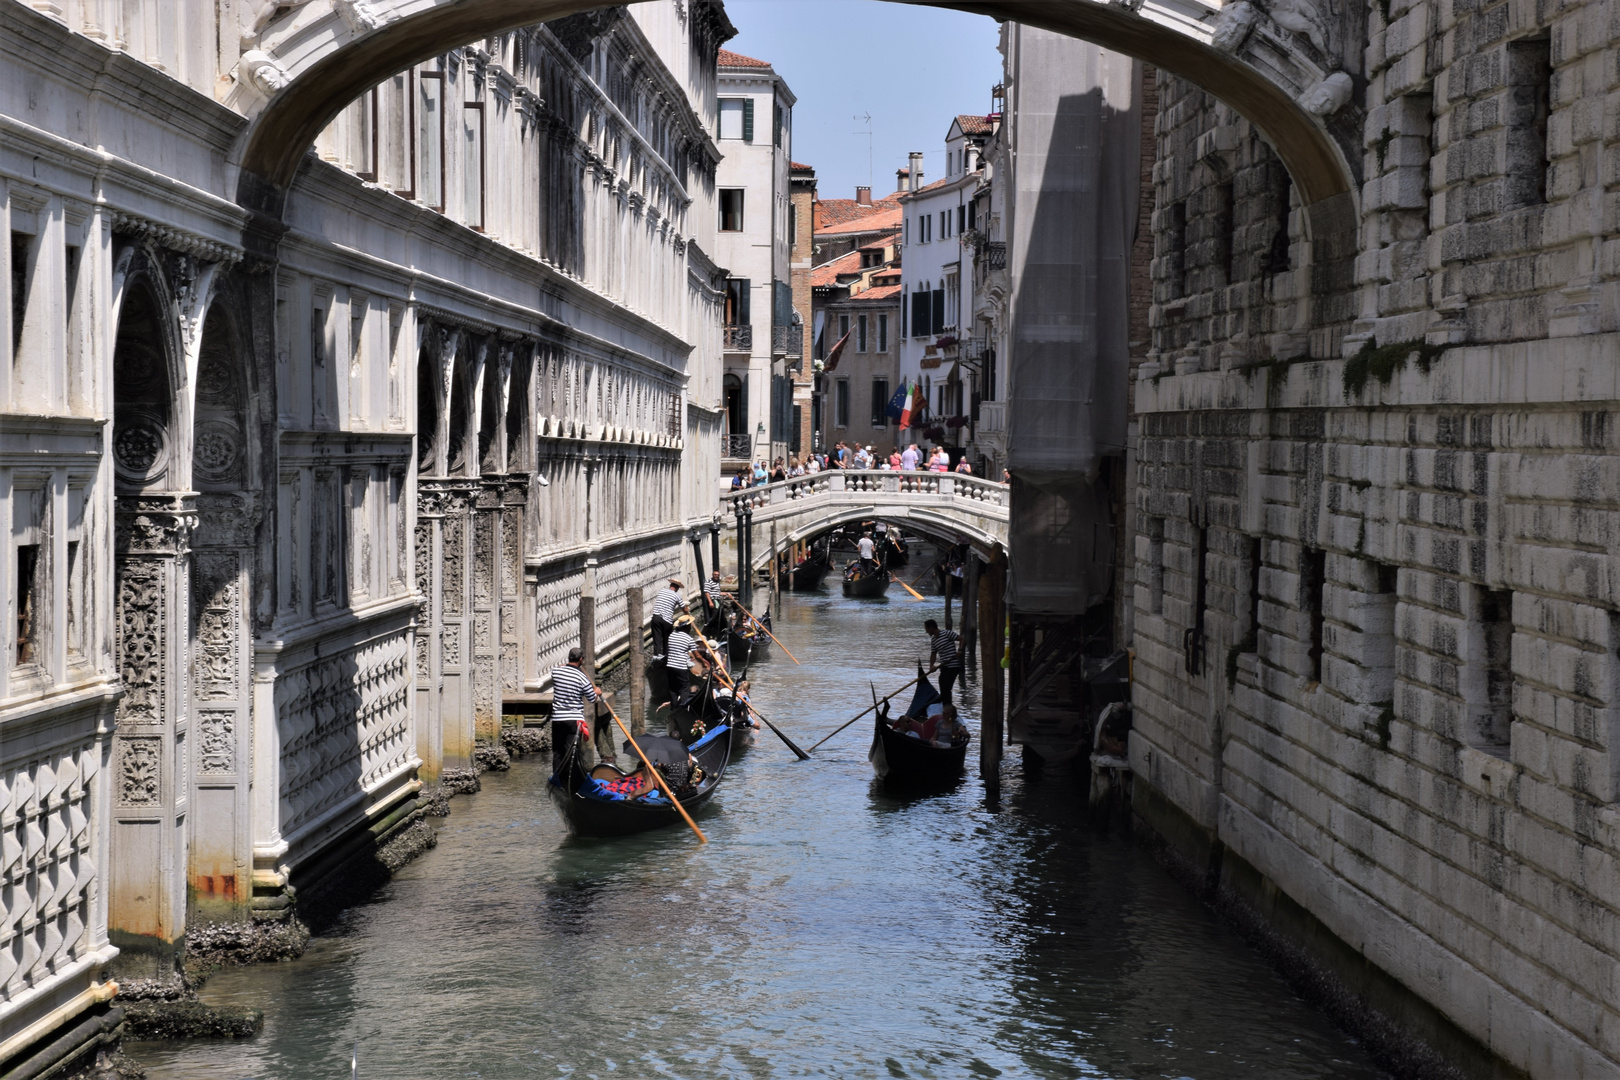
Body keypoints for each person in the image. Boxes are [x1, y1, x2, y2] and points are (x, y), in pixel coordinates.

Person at [551, 646, 610, 768]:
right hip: (573, 720)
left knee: (557, 752)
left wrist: (567, 665)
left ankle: (556, 778)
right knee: (571, 751)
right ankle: (570, 779)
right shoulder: (582, 678)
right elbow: (592, 699)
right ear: (581, 659)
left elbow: (561, 667)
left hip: (557, 718)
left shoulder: (556, 672)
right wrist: (597, 692)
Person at [664, 614, 701, 708]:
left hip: (670, 666)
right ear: (687, 627)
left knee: (673, 689)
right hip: (681, 667)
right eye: (689, 626)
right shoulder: (689, 639)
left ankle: (673, 708)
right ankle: (683, 708)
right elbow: (697, 655)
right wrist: (704, 663)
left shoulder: (671, 636)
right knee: (684, 689)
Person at [926, 618, 963, 705]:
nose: (926, 631)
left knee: (946, 688)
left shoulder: (947, 633)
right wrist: (931, 666)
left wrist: (960, 650)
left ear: (931, 628)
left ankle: (948, 708)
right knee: (943, 686)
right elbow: (933, 654)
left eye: (927, 629)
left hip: (953, 665)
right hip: (944, 666)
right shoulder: (934, 640)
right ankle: (946, 706)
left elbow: (962, 639)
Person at [650, 578, 684, 659]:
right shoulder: (677, 596)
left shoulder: (662, 591)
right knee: (667, 640)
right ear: (677, 588)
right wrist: (687, 614)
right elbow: (683, 607)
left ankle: (656, 656)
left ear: (671, 585)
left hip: (656, 618)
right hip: (667, 621)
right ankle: (666, 656)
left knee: (657, 638)